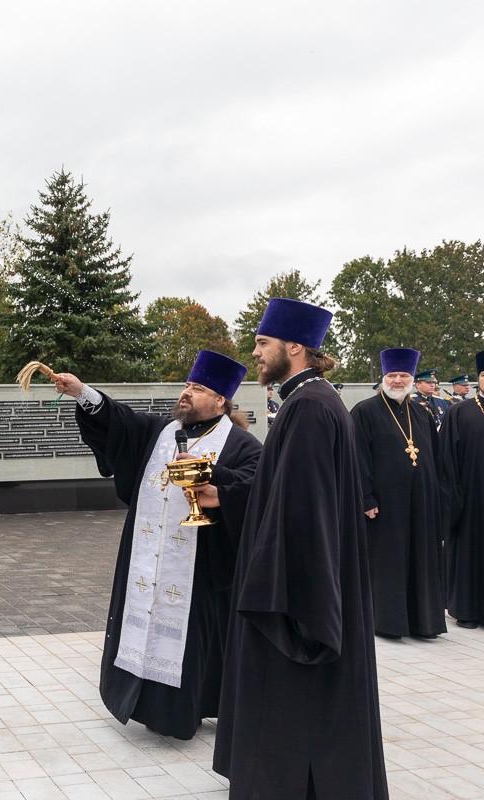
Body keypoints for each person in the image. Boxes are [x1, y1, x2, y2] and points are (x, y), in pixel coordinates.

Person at [212, 298, 387, 799]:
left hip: (298, 601)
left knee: (295, 710)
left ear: (295, 347)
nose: (256, 351)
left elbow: (305, 517)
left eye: (263, 343)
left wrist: (289, 609)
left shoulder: (309, 407)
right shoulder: (309, 400)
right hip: (311, 588)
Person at [53, 351, 261, 740]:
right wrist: (82, 392)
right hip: (146, 560)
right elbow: (118, 422)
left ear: (220, 400)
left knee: (193, 641)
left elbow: (258, 487)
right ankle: (139, 700)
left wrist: (215, 479)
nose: (187, 393)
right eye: (186, 385)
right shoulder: (160, 433)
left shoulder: (242, 445)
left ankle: (187, 710)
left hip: (200, 570)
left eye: (197, 388)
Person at [350, 348, 444, 639]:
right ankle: (388, 622)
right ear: (384, 377)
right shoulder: (364, 411)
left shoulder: (422, 413)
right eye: (393, 375)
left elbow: (435, 459)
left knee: (420, 558)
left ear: (412, 379)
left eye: (404, 375)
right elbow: (357, 459)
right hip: (385, 505)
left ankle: (422, 622)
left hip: (421, 502)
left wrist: (437, 496)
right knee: (389, 561)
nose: (399, 380)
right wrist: (366, 498)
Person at [442, 350, 484, 628]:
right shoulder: (461, 412)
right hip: (471, 498)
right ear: (480, 379)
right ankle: (468, 610)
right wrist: (452, 498)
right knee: (471, 552)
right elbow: (446, 458)